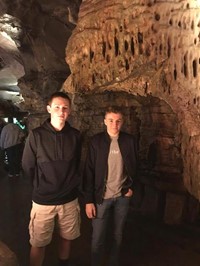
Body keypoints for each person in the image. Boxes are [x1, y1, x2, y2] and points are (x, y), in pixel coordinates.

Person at [22, 92, 82, 266]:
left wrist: (73, 184)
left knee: (67, 238)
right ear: (49, 109)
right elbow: (28, 166)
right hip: (43, 200)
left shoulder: (75, 135)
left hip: (69, 199)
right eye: (57, 107)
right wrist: (41, 186)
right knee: (38, 243)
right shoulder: (36, 135)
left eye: (65, 108)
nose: (61, 111)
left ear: (69, 111)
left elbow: (78, 163)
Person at [83, 106, 138, 266]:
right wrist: (88, 200)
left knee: (118, 234)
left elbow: (135, 166)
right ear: (104, 122)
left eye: (118, 121)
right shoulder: (96, 142)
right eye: (111, 120)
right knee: (98, 236)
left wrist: (131, 188)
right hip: (101, 197)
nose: (115, 124)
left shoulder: (129, 141)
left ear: (123, 122)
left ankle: (114, 262)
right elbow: (89, 172)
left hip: (122, 196)